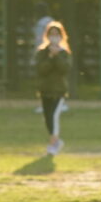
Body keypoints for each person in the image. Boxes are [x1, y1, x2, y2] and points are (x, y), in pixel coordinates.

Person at [35, 21, 71, 155]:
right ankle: (56, 141)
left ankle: (53, 144)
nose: (54, 37)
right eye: (52, 34)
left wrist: (56, 57)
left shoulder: (64, 53)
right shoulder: (42, 53)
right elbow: (41, 70)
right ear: (47, 36)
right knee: (47, 118)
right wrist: (50, 57)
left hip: (59, 91)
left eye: (57, 34)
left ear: (61, 36)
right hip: (45, 90)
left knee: (54, 116)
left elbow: (64, 69)